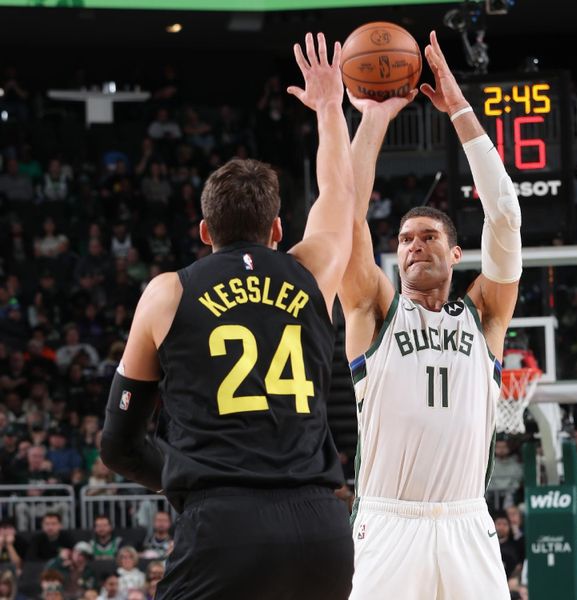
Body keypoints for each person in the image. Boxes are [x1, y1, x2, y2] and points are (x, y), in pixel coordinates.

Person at [99, 32, 356, 600]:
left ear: (205, 232)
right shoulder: (313, 272)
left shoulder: (168, 294)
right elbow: (340, 194)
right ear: (278, 230)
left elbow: (118, 444)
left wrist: (183, 471)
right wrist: (330, 109)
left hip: (223, 525)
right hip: (322, 527)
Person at [341, 31, 521, 599]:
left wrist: (461, 111)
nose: (415, 246)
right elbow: (345, 220)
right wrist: (371, 119)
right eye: (405, 239)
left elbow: (506, 216)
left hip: (468, 521)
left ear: (455, 253)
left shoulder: (486, 314)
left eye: (428, 237)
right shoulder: (375, 310)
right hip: (390, 521)